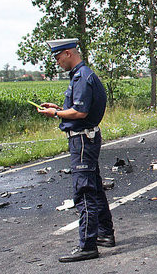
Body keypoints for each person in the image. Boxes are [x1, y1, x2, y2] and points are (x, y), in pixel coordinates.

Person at [38, 38, 115, 262]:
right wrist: (59, 109)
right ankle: (104, 234)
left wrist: (55, 114)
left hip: (82, 140)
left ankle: (87, 246)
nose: (57, 62)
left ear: (69, 53)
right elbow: (79, 108)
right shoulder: (83, 75)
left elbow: (80, 113)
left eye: (58, 57)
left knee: (84, 192)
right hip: (86, 137)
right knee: (95, 189)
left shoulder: (82, 77)